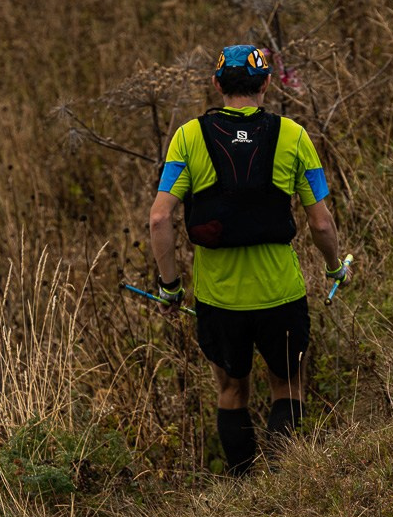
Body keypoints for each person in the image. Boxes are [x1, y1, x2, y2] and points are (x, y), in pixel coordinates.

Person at [148, 44, 351, 476]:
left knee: (231, 390)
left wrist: (170, 286)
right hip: (281, 295)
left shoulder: (187, 137)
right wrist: (336, 268)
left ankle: (243, 491)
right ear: (266, 83)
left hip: (218, 300)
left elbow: (159, 218)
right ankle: (282, 483)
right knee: (289, 385)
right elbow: (322, 225)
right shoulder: (294, 136)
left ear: (218, 84)